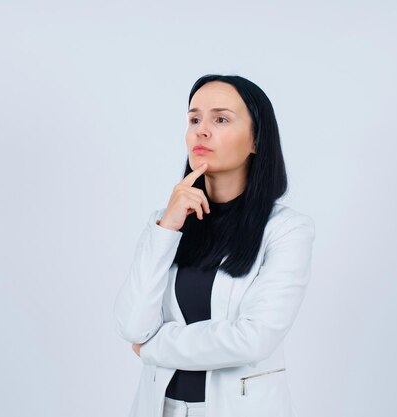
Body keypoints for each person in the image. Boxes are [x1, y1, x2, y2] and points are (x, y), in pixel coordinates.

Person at [113, 74, 316, 417]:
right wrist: (167, 228)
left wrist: (154, 346)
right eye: (194, 119)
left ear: (256, 140)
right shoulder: (168, 224)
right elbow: (132, 326)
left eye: (220, 119)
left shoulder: (287, 230)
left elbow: (252, 339)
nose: (201, 130)